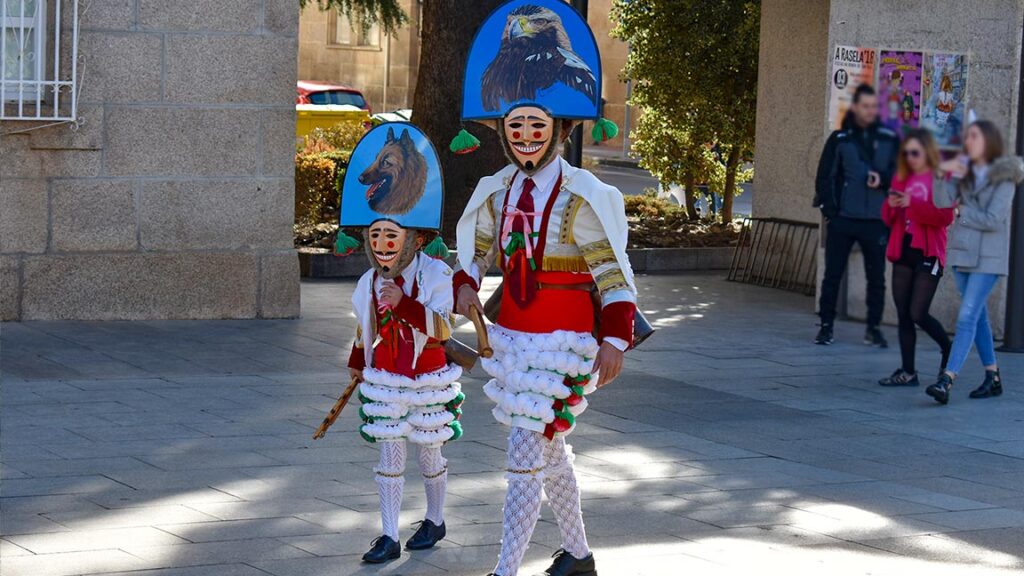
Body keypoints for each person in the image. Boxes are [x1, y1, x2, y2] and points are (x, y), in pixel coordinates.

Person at [451, 2, 636, 574]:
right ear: (503, 133)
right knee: (548, 448)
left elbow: (610, 272)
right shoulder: (496, 191)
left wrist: (616, 340)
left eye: (537, 126)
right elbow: (476, 250)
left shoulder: (583, 196)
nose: (527, 136)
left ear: (557, 131)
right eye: (516, 127)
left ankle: (505, 570)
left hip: (567, 340)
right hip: (512, 336)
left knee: (525, 452)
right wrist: (465, 282)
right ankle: (579, 556)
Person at [335, 123, 464, 563]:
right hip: (386, 375)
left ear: (416, 238)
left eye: (391, 237)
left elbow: (444, 329)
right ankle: (388, 535)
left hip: (428, 378)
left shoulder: (437, 275)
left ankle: (435, 517)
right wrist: (357, 359)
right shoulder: (369, 280)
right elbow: (363, 325)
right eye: (375, 237)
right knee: (390, 456)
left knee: (429, 454)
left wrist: (404, 303)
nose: (383, 246)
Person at [925, 120, 1024, 404]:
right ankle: (992, 376)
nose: (969, 142)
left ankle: (947, 379)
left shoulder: (1006, 176)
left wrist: (964, 211)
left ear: (989, 141)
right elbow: (943, 201)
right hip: (962, 252)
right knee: (977, 315)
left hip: (989, 258)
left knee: (967, 315)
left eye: (975, 137)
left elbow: (994, 219)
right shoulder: (965, 172)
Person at [814, 84, 900, 347]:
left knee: (877, 278)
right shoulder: (840, 139)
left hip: (875, 221)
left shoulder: (888, 139)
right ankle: (826, 326)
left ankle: (873, 327)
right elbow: (824, 177)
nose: (870, 111)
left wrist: (883, 180)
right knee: (832, 275)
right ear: (855, 108)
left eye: (874, 107)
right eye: (865, 106)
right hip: (844, 219)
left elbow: (899, 176)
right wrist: (832, 213)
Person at [878, 129, 955, 387]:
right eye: (906, 153)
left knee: (917, 312)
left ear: (928, 152)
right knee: (902, 313)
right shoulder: (902, 177)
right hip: (904, 249)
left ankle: (948, 348)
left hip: (928, 251)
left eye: (916, 153)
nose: (911, 158)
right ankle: (908, 371)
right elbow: (888, 218)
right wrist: (892, 203)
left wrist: (913, 203)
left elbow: (944, 218)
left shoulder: (940, 178)